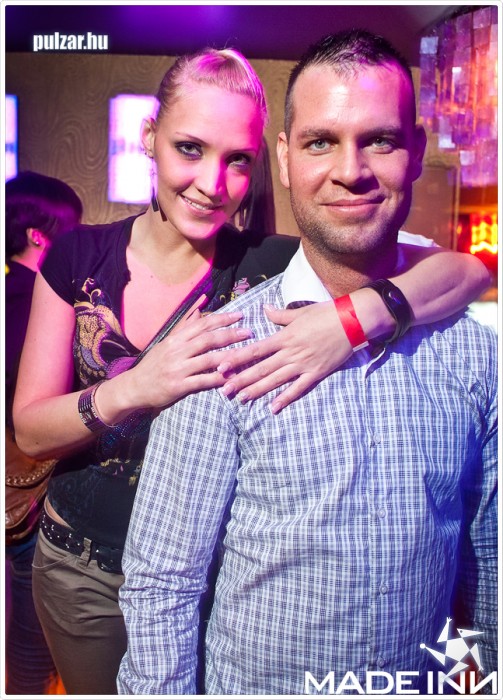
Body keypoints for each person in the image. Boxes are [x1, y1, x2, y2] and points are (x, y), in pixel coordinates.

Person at [13, 48, 488, 697]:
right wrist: (138, 387)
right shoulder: (79, 255)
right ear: (149, 137)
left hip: (208, 575)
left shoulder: (266, 262)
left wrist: (351, 319)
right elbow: (29, 431)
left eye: (236, 159)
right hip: (86, 567)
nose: (212, 182)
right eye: (189, 148)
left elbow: (464, 271)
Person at [5, 170, 83, 695]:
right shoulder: (34, 298)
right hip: (28, 484)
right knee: (34, 625)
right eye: (72, 230)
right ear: (39, 235)